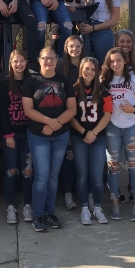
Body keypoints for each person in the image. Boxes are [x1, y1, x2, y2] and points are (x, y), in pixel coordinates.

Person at [22, 47, 77, 232]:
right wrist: (49, 122)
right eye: (45, 58)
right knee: (42, 176)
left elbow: (72, 109)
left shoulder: (65, 81)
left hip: (60, 135)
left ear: (57, 61)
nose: (49, 61)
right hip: (38, 136)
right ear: (39, 60)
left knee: (53, 176)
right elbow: (28, 110)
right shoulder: (31, 81)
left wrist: (56, 123)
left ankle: (48, 212)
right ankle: (38, 215)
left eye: (52, 58)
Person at [102, 47, 135, 221]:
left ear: (125, 61)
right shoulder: (104, 80)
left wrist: (133, 109)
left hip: (132, 126)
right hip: (111, 126)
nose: (115, 64)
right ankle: (115, 204)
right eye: (112, 61)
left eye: (118, 60)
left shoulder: (134, 79)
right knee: (113, 168)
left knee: (134, 167)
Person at [69, 57, 111, 225]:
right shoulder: (73, 90)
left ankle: (98, 208)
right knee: (82, 174)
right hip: (79, 136)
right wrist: (84, 132)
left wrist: (93, 133)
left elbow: (107, 115)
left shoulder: (103, 91)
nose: (89, 72)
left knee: (97, 176)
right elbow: (71, 115)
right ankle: (85, 208)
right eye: (86, 69)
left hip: (98, 137)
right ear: (81, 70)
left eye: (93, 69)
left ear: (98, 71)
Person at [0, 50, 35, 224]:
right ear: (11, 63)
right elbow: (3, 113)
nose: (19, 64)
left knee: (27, 171)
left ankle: (27, 205)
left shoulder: (32, 82)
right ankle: (11, 207)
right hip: (11, 135)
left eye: (22, 61)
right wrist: (8, 135)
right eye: (15, 61)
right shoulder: (5, 84)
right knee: (11, 170)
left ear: (26, 62)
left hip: (28, 133)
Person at [57, 35, 84, 210]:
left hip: (86, 118)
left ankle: (83, 193)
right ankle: (68, 194)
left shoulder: (88, 65)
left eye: (77, 46)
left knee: (82, 160)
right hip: (68, 117)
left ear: (82, 47)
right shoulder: (61, 68)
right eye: (71, 46)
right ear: (66, 48)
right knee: (69, 158)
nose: (74, 49)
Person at [78, 0, 120, 65]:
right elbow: (81, 14)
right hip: (86, 31)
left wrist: (93, 28)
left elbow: (114, 21)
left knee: (102, 65)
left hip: (103, 33)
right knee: (85, 64)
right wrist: (80, 26)